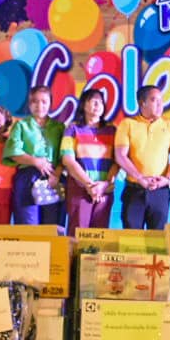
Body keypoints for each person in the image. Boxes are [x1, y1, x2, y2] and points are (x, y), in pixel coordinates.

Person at [114, 85, 170, 231]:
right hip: (134, 190)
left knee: (158, 239)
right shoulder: (128, 124)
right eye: (154, 100)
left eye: (161, 100)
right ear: (142, 103)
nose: (160, 104)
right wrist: (140, 178)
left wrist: (167, 179)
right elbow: (120, 156)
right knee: (131, 238)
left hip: (160, 191)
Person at [6, 85, 66, 228]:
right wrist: (36, 161)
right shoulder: (21, 126)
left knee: (52, 227)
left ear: (50, 103)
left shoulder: (60, 127)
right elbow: (13, 153)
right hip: (27, 179)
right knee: (28, 226)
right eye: (35, 101)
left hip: (54, 178)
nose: (40, 105)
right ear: (29, 104)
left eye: (44, 101)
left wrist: (57, 174)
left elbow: (65, 155)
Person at [60, 88, 117, 234]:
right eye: (93, 101)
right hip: (79, 189)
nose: (98, 105)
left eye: (101, 102)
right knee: (77, 234)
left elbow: (118, 161)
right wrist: (89, 185)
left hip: (104, 190)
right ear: (84, 105)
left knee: (100, 236)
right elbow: (67, 160)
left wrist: (104, 185)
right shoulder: (72, 129)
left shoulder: (112, 130)